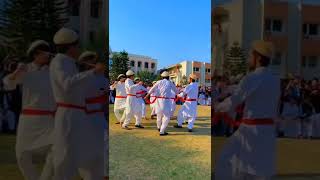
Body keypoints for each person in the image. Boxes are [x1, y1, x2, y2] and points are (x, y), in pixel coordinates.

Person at [214, 40, 281, 180]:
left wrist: (217, 107)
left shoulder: (252, 77)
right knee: (259, 170)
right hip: (267, 131)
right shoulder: (275, 80)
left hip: (250, 130)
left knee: (227, 162)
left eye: (252, 55)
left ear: (258, 58)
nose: (249, 58)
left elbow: (234, 100)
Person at [49, 27, 104, 179]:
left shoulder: (69, 63)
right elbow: (66, 84)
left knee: (89, 153)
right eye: (76, 45)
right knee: (65, 155)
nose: (78, 49)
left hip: (78, 114)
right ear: (70, 46)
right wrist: (91, 72)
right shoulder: (58, 61)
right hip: (68, 115)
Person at [3, 40, 55, 180]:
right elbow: (8, 84)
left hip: (48, 119)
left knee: (56, 150)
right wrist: (17, 71)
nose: (48, 56)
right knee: (21, 154)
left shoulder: (51, 72)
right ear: (36, 54)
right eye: (45, 53)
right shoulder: (25, 69)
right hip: (28, 119)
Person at [78, 51, 107, 179]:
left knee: (104, 146)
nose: (92, 64)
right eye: (89, 61)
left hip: (98, 116)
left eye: (93, 61)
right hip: (83, 117)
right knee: (85, 148)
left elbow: (105, 98)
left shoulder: (102, 79)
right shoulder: (78, 78)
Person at [145, 71, 178, 136]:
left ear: (162, 77)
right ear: (168, 77)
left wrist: (147, 96)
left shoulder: (158, 82)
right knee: (166, 116)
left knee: (159, 115)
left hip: (158, 100)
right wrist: (179, 94)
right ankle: (162, 131)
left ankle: (158, 127)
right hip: (166, 101)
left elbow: (152, 89)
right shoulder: (170, 82)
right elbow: (176, 91)